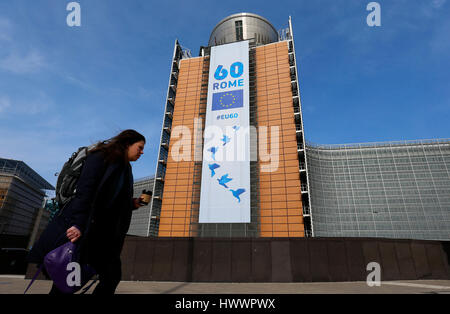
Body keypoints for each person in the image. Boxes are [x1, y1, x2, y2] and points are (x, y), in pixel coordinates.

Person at [28, 129, 146, 294]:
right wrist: (78, 223)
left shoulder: (125, 169)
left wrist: (133, 203)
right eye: (139, 147)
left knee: (109, 276)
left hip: (104, 234)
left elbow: (114, 201)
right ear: (127, 144)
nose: (141, 152)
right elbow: (85, 191)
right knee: (68, 279)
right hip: (87, 229)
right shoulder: (101, 156)